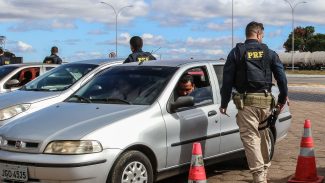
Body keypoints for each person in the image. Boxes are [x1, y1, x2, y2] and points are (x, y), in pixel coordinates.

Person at [219, 21, 288, 183]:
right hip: (266, 102)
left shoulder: (236, 52)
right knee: (263, 134)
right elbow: (282, 79)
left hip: (247, 103)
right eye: (262, 35)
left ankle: (258, 177)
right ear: (258, 34)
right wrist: (282, 99)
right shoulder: (269, 53)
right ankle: (263, 170)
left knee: (250, 137)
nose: (262, 38)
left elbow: (227, 82)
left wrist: (223, 103)